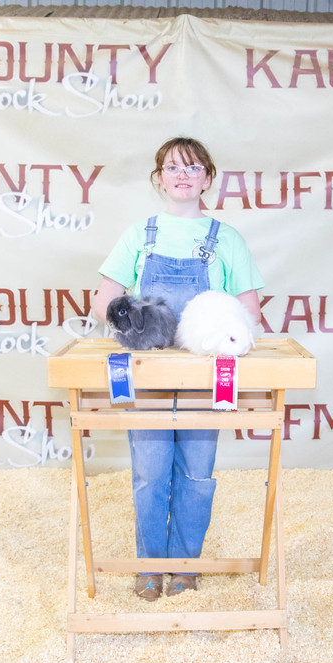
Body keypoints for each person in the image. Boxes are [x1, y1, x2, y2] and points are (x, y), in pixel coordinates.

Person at [93, 137, 264, 601]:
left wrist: (228, 330)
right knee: (150, 471)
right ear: (159, 178)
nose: (182, 175)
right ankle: (150, 567)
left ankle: (185, 565)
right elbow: (104, 301)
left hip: (205, 376)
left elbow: (250, 311)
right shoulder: (138, 235)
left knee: (195, 472)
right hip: (147, 372)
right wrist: (125, 317)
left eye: (192, 168)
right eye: (172, 167)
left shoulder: (227, 239)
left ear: (208, 178)